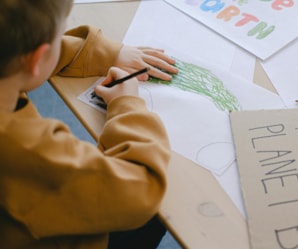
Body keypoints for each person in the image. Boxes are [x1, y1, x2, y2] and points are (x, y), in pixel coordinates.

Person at [0, 0, 178, 248]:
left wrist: (110, 53)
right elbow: (142, 188)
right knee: (159, 214)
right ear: (37, 58)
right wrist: (127, 104)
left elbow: (38, 53)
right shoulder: (25, 148)